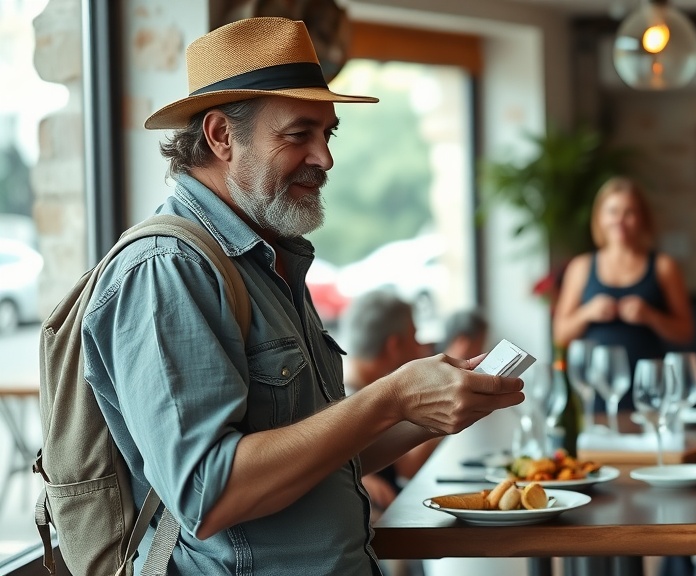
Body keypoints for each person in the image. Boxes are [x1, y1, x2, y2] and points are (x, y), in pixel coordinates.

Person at [80, 17, 523, 575]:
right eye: (298, 135)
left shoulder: (267, 259)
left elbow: (322, 456)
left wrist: (428, 409)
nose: (325, 158)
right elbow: (207, 495)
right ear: (220, 136)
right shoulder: (168, 270)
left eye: (327, 134)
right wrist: (390, 397)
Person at [553, 176, 695, 410]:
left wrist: (651, 316)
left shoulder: (664, 267)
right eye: (612, 211)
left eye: (629, 212)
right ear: (599, 217)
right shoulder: (581, 267)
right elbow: (560, 333)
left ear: (642, 219)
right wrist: (587, 313)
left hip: (651, 387)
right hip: (595, 389)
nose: (619, 220)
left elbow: (686, 332)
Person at [341, 289, 439, 517]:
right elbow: (408, 467)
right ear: (394, 345)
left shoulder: (347, 393)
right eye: (414, 337)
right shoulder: (357, 404)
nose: (420, 348)